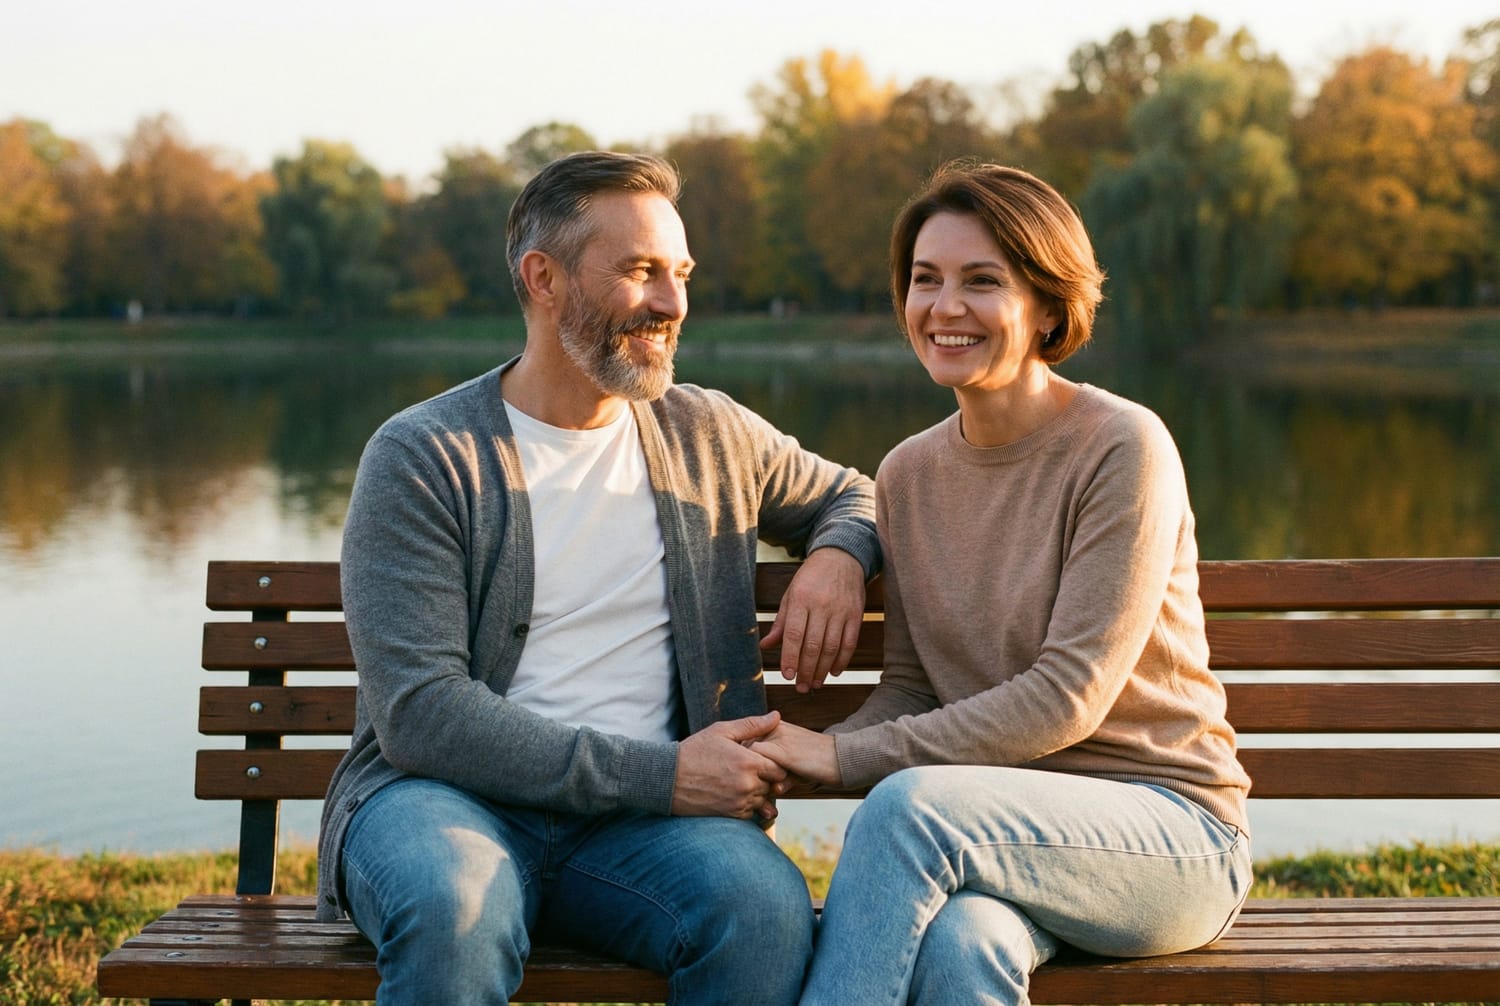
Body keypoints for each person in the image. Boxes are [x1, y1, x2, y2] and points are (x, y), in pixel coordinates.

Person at [314, 150, 880, 1006]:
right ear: (543, 279)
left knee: (761, 909)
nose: (672, 303)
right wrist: (663, 777)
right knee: (453, 906)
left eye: (680, 274)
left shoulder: (710, 433)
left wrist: (840, 555)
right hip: (445, 804)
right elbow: (421, 713)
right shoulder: (425, 456)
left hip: (643, 834)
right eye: (640, 272)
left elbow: (855, 494)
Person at [751, 162, 1253, 1006]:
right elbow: (912, 686)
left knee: (910, 811)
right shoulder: (907, 473)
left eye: (981, 281)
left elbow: (1069, 698)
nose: (944, 308)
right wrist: (795, 758)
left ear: (1049, 306)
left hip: (1172, 833)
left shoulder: (1121, 446)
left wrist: (841, 759)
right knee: (960, 946)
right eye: (925, 280)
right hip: (1005, 837)